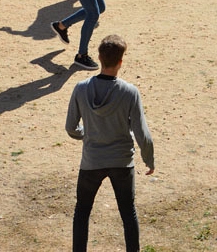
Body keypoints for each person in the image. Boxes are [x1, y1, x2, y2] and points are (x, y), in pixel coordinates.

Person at [65, 34, 155, 252]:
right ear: (121, 62)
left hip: (91, 161)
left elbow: (70, 127)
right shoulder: (130, 92)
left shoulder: (81, 88)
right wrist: (149, 159)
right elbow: (142, 132)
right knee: (128, 212)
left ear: (99, 58)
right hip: (122, 162)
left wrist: (86, 134)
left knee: (82, 211)